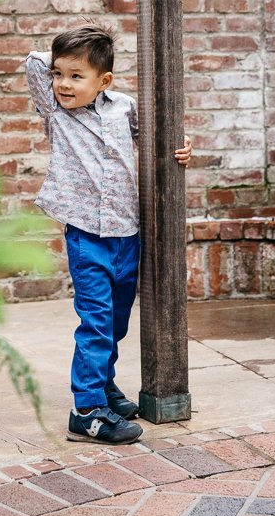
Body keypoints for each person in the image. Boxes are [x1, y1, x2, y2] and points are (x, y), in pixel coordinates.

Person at [25, 24, 192, 445]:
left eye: (76, 76)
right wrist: (69, 55)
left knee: (115, 323)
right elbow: (34, 63)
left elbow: (158, 139)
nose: (63, 84)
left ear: (105, 81)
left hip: (127, 234)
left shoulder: (123, 108)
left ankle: (103, 387)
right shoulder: (56, 113)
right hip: (87, 238)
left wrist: (183, 145)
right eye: (60, 74)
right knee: (96, 322)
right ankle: (86, 411)